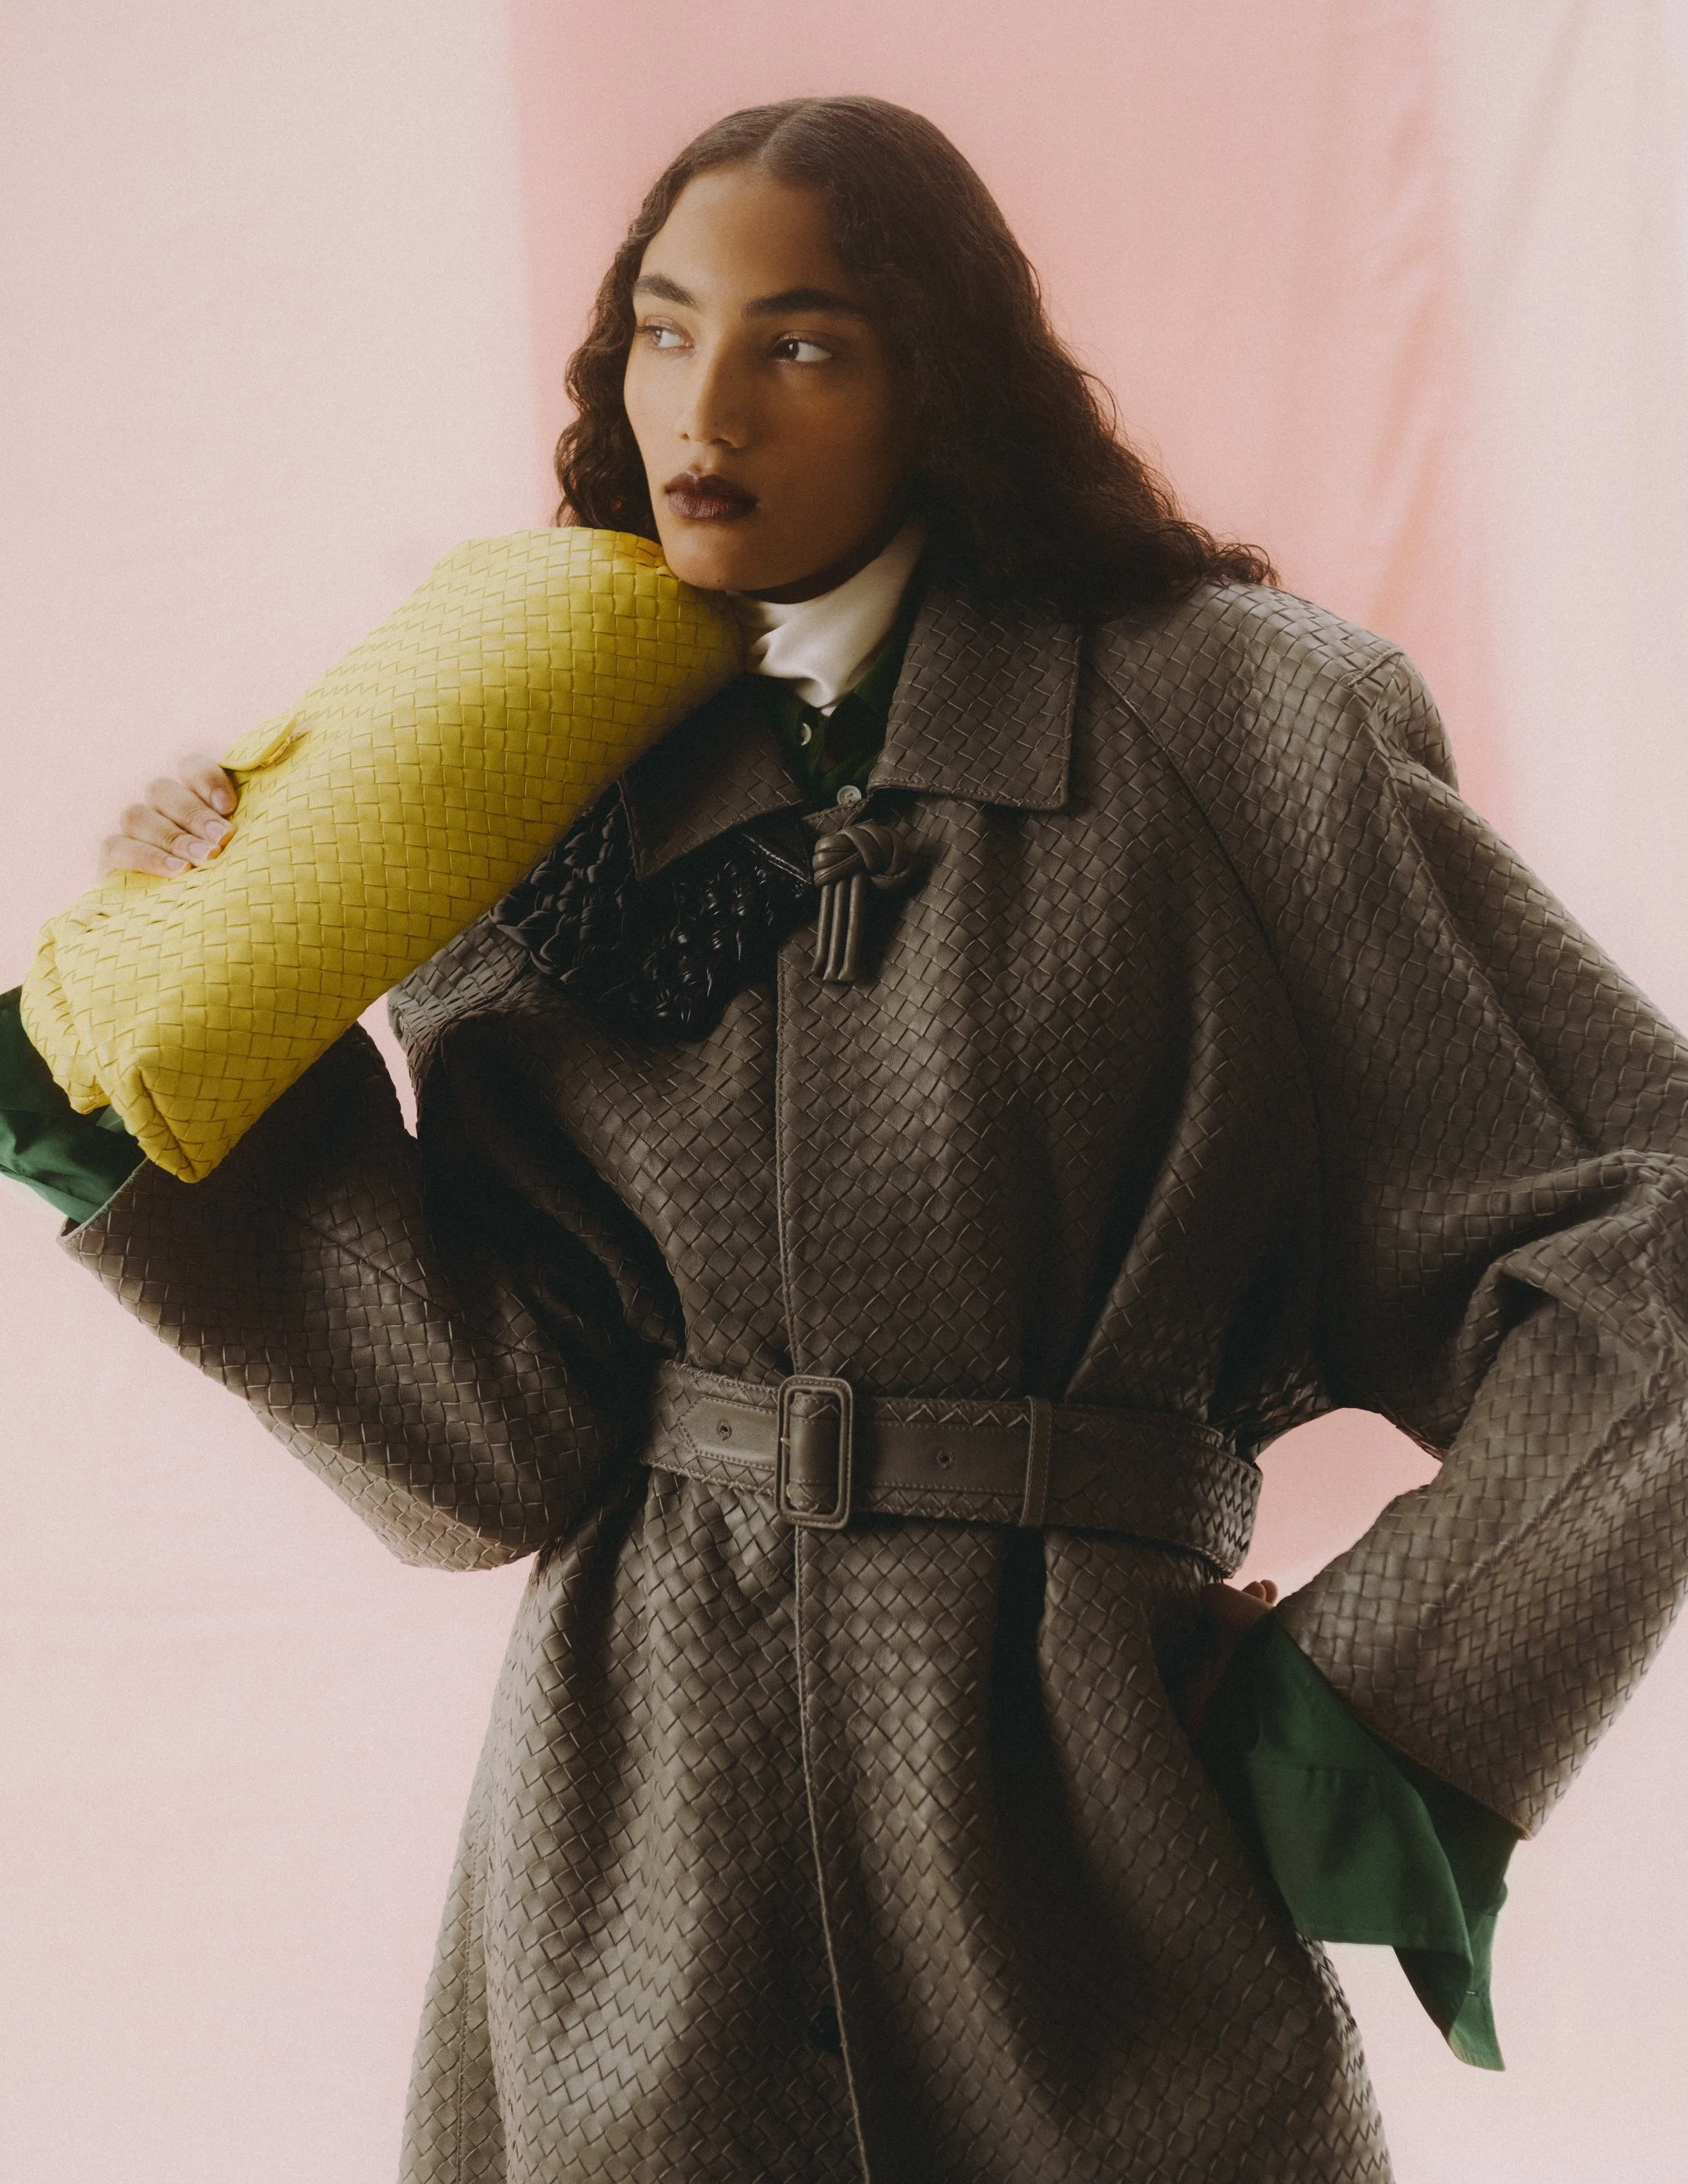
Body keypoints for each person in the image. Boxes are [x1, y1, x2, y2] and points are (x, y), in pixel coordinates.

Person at [6, 93, 1687, 2184]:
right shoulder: (517, 771)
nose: (702, 401)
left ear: (941, 376)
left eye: (800, 341)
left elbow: (1649, 1239)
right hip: (632, 1872)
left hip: (1081, 1856)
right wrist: (191, 1018)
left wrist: (1378, 1704)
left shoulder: (1243, 722)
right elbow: (493, 1448)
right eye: (656, 326)